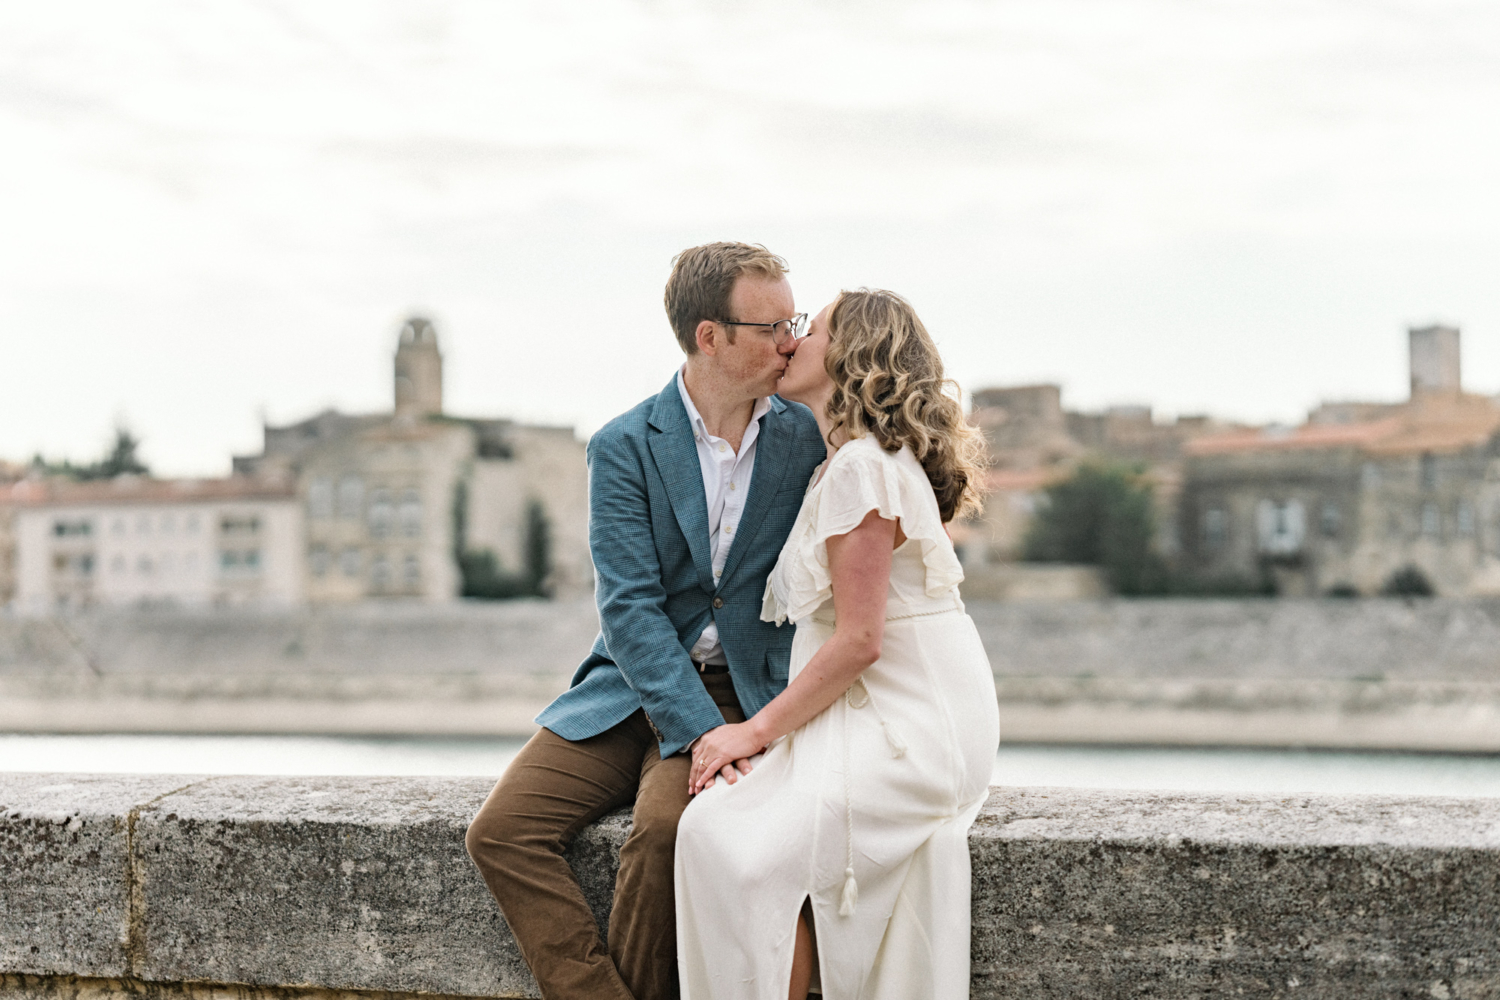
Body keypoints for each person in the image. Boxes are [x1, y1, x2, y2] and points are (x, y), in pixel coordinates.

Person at [465, 242, 827, 1000]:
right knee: (500, 834)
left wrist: (718, 727)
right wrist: (692, 727)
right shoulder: (625, 444)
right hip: (629, 687)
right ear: (710, 336)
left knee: (666, 836)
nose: (790, 340)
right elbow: (627, 607)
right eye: (772, 326)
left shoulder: (805, 435)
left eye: (794, 321)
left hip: (741, 688)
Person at [674, 288, 1000, 1000]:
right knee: (712, 832)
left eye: (811, 329)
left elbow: (859, 641)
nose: (791, 340)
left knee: (745, 853)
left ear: (850, 353)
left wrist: (750, 733)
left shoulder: (863, 467)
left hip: (910, 718)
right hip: (869, 709)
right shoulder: (844, 462)